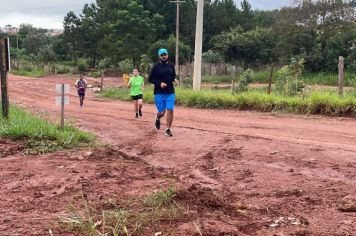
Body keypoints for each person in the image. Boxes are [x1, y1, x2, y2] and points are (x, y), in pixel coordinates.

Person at [148, 48, 179, 137]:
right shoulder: (156, 67)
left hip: (170, 92)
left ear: (167, 55)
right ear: (159, 56)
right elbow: (150, 79)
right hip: (159, 93)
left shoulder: (171, 65)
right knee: (162, 112)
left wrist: (175, 80)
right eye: (162, 55)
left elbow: (172, 76)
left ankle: (168, 129)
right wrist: (159, 83)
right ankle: (157, 117)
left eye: (165, 54)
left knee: (170, 109)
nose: (164, 56)